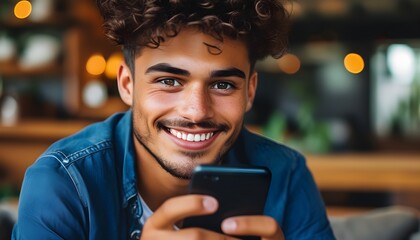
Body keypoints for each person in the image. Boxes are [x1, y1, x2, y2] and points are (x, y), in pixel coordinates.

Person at [12, 0, 335, 239]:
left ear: (249, 91)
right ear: (128, 84)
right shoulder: (62, 183)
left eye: (223, 85)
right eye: (169, 81)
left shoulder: (287, 175)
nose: (196, 111)